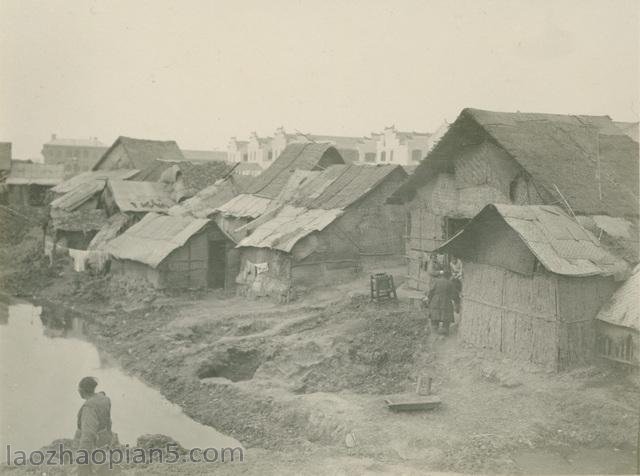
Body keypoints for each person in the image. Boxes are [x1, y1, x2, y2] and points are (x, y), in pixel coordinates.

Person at [74, 377, 113, 475]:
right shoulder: (104, 399)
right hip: (104, 441)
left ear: (81, 391)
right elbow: (108, 421)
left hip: (93, 446)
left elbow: (88, 433)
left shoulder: (89, 407)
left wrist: (82, 457)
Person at [424, 269, 460, 335]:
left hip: (435, 301)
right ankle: (444, 331)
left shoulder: (435, 281)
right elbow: (454, 295)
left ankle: (434, 333)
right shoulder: (450, 283)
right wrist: (457, 303)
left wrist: (428, 299)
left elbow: (430, 292)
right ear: (448, 276)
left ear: (441, 275)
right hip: (446, 303)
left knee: (434, 319)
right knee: (446, 318)